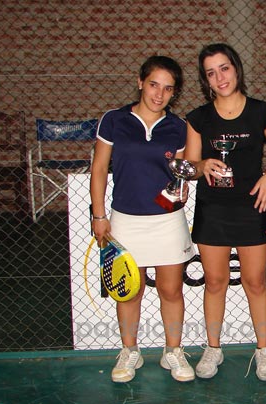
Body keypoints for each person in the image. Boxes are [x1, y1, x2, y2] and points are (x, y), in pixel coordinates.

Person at [184, 43, 266, 381]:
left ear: (236, 69)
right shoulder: (198, 118)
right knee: (215, 282)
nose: (220, 77)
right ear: (205, 80)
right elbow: (190, 165)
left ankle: (263, 350)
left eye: (224, 68)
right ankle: (213, 348)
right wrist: (202, 164)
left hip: (251, 206)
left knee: (255, 281)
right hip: (212, 208)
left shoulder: (262, 112)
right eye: (211, 73)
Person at [90, 55, 196, 383]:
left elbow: (181, 174)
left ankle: (173, 351)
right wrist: (98, 215)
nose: (159, 94)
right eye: (153, 84)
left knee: (171, 290)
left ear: (174, 93)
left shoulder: (178, 127)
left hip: (167, 220)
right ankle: (129, 351)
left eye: (168, 88)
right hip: (125, 220)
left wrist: (181, 189)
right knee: (129, 292)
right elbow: (99, 169)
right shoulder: (113, 120)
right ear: (140, 82)